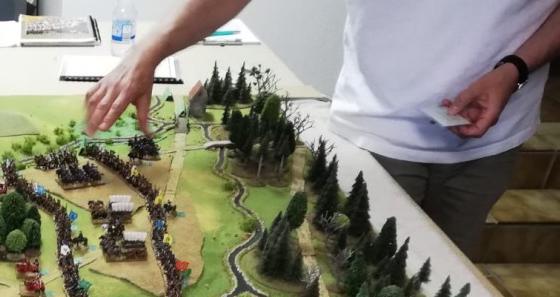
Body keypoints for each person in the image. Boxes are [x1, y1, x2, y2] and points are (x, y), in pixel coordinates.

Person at [84, 0, 560, 258]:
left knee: (449, 279)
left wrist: (515, 68)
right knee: (356, 268)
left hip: (493, 140)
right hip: (374, 134)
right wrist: (148, 51)